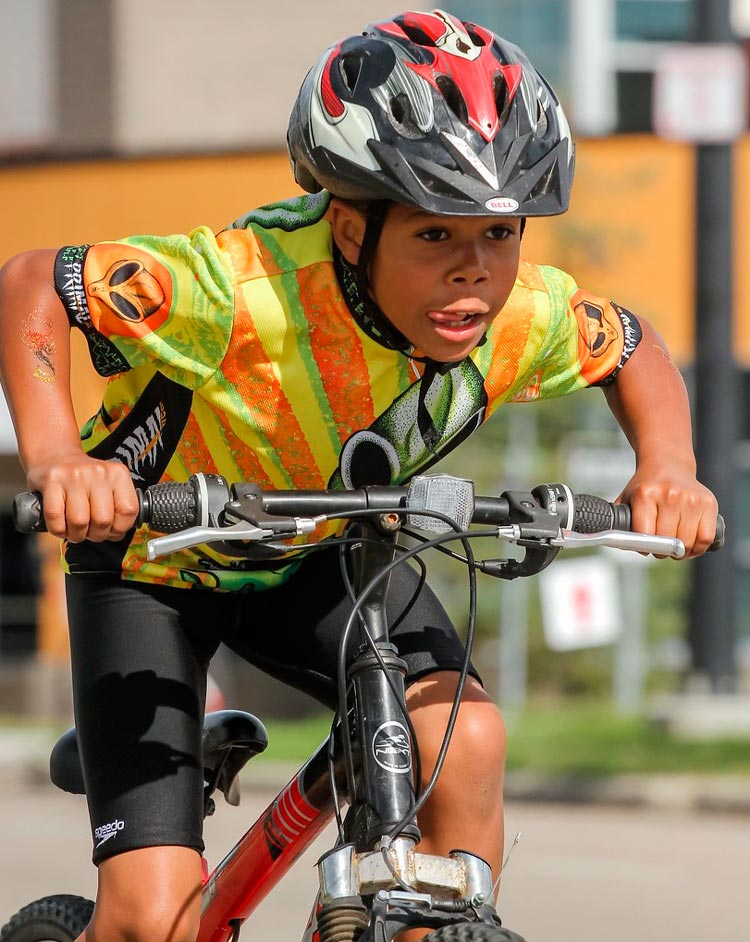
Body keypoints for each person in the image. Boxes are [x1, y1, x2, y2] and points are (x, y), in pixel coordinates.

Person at [0, 9, 718, 942]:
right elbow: (33, 284)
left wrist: (669, 466)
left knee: (469, 744)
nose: (475, 274)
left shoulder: (511, 316)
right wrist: (60, 458)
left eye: (501, 235)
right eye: (434, 237)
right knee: (152, 921)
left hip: (318, 556)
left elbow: (631, 346)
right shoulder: (238, 288)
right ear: (348, 229)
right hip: (153, 562)